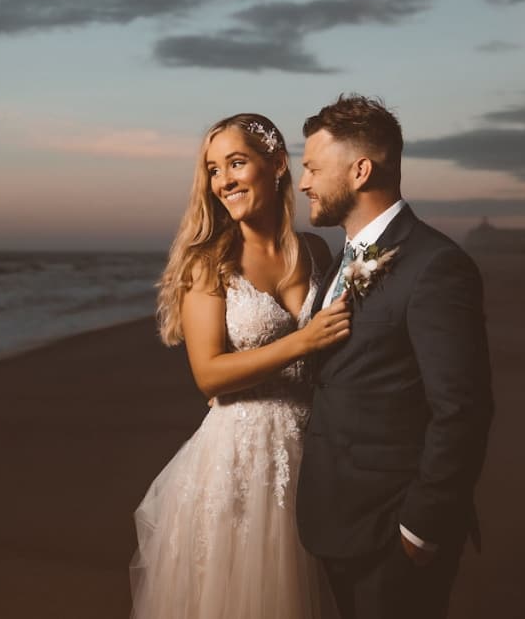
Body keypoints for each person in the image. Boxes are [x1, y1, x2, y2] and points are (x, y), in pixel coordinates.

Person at [130, 113, 346, 618]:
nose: (223, 180)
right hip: (239, 461)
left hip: (314, 450)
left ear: (275, 165)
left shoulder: (315, 250)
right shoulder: (210, 261)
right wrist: (302, 342)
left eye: (235, 163)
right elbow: (208, 374)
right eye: (212, 169)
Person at [296, 94, 494, 619]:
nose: (303, 183)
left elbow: (462, 409)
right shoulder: (341, 259)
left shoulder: (437, 266)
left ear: (360, 170)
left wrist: (420, 529)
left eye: (313, 167)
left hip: (393, 533)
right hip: (335, 521)